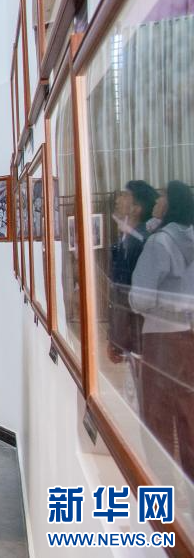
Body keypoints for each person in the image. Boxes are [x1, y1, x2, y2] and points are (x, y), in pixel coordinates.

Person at [129, 180, 194, 479]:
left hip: (163, 338)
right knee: (189, 414)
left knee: (158, 417)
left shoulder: (159, 243)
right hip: (190, 334)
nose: (157, 200)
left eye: (163, 196)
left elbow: (141, 298)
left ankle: (161, 493)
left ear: (171, 204)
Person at [107, 180, 158, 362]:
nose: (118, 200)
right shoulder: (128, 237)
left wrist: (120, 339)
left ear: (136, 209)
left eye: (124, 196)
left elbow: (132, 293)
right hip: (130, 335)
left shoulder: (142, 241)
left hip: (139, 336)